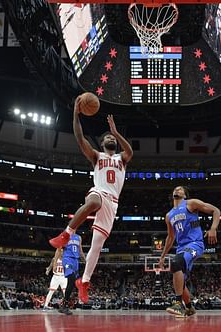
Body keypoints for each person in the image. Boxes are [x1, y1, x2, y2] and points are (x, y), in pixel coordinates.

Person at [49, 96, 133, 304]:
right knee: (94, 202)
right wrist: (76, 115)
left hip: (113, 202)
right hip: (99, 192)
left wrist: (116, 132)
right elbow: (80, 139)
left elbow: (130, 151)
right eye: (106, 138)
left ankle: (84, 282)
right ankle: (66, 234)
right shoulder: (97, 156)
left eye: (111, 139)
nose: (109, 140)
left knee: (96, 246)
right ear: (103, 144)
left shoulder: (121, 158)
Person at [158, 186, 220, 317]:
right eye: (175, 188)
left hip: (195, 244)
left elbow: (216, 211)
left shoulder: (190, 203)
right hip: (182, 248)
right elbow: (170, 237)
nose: (177, 190)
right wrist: (162, 256)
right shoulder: (169, 215)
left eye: (180, 189)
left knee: (176, 262)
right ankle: (190, 308)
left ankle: (178, 304)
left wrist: (213, 228)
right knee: (181, 281)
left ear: (185, 195)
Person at [44, 233, 85, 315]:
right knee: (71, 279)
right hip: (67, 259)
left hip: (75, 261)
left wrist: (85, 260)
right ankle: (48, 305)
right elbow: (58, 250)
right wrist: (54, 264)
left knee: (72, 284)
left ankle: (64, 305)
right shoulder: (65, 235)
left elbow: (80, 250)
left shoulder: (78, 237)